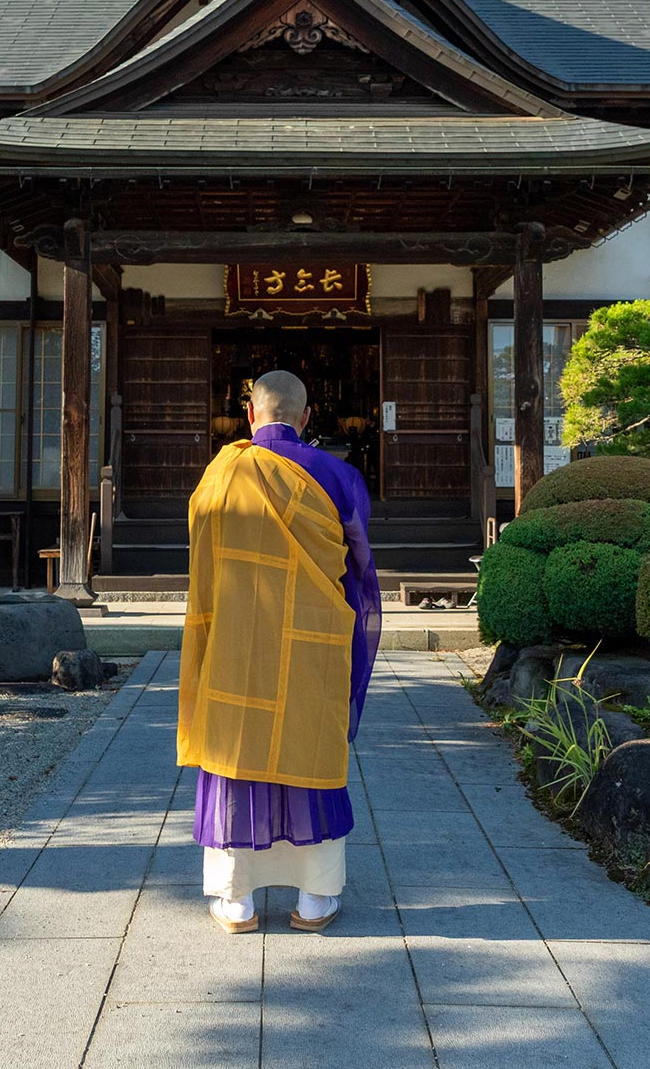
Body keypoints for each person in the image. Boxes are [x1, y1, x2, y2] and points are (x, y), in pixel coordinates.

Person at [178, 369, 382, 934]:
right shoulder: (339, 476)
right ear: (306, 417)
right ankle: (316, 898)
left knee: (237, 752)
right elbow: (360, 565)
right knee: (311, 750)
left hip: (239, 640)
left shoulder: (220, 477)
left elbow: (204, 561)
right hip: (314, 642)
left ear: (250, 415)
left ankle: (235, 899)